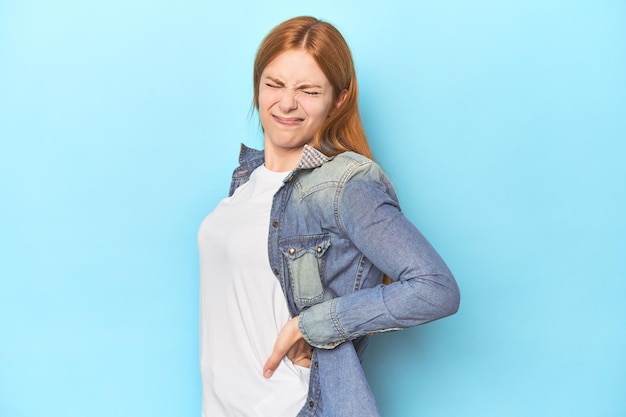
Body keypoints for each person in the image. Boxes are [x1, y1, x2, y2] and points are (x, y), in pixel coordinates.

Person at [198, 16, 460, 417]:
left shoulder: (341, 186)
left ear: (338, 100)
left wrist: (311, 325)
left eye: (308, 90)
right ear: (257, 84)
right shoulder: (247, 181)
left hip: (295, 407)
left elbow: (435, 288)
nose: (287, 103)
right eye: (274, 84)